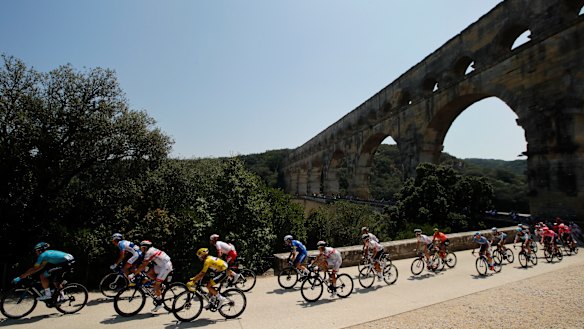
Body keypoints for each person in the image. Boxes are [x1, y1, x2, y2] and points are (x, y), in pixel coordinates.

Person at [131, 240, 173, 312]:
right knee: (149, 273)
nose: (141, 249)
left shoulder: (149, 252)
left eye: (142, 247)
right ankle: (160, 286)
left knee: (156, 284)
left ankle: (160, 303)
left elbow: (143, 266)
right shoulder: (150, 250)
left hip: (166, 267)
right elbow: (144, 263)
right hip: (161, 265)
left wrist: (133, 274)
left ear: (145, 247)